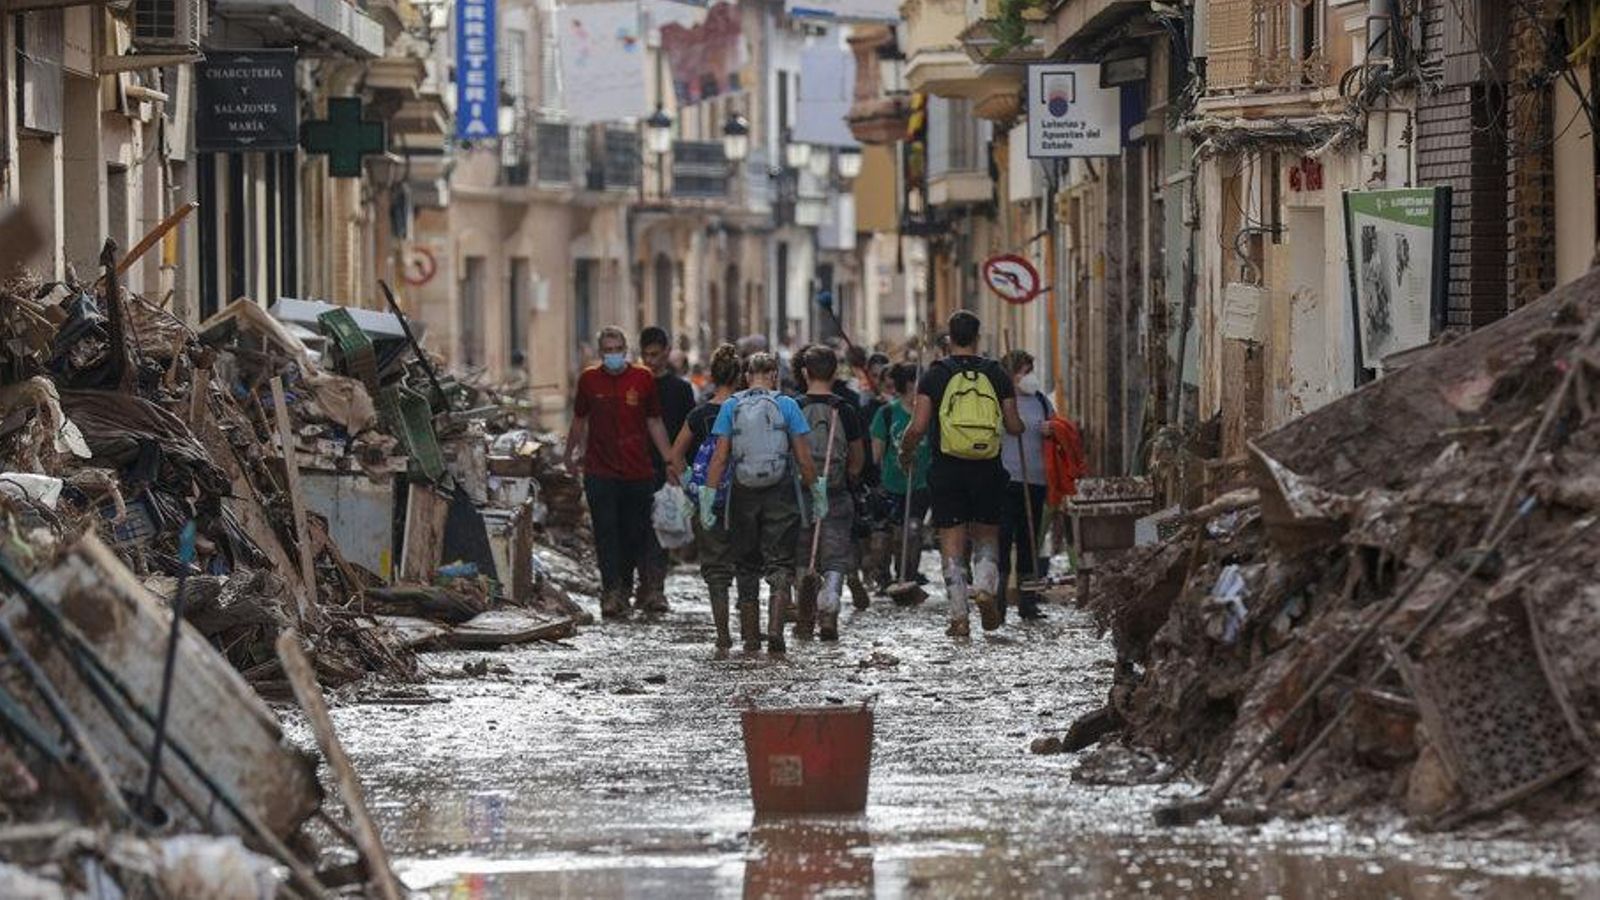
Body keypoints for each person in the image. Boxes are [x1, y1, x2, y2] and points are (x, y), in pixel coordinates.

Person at [898, 311, 1024, 637]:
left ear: (949, 339)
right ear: (978, 336)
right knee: (986, 536)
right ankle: (984, 587)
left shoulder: (935, 375)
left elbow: (918, 427)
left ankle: (959, 617)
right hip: (988, 467)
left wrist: (905, 451)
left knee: (951, 543)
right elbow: (1013, 426)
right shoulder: (996, 373)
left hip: (947, 468)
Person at [703, 352, 818, 654]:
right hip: (781, 491)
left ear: (746, 376)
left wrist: (707, 497)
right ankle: (775, 629)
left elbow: (720, 456)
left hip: (743, 492)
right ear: (775, 375)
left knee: (746, 564)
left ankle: (751, 638)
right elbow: (804, 458)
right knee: (780, 561)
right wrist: (817, 494)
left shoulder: (731, 406)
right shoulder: (788, 405)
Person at [565, 327, 676, 620]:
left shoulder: (642, 379)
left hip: (637, 471)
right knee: (605, 532)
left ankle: (627, 586)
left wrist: (669, 459)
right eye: (607, 350)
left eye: (617, 349)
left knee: (633, 533)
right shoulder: (589, 380)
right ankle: (612, 591)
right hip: (600, 470)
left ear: (626, 350)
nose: (612, 354)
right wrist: (569, 454)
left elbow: (654, 422)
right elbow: (579, 420)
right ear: (600, 353)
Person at [668, 344, 761, 653]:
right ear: (740, 377)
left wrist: (690, 486)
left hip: (707, 501)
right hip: (747, 498)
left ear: (713, 376)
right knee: (748, 563)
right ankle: (751, 635)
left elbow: (676, 454)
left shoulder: (700, 414)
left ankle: (723, 635)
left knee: (716, 569)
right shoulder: (750, 410)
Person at [793, 346, 865, 641]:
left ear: (804, 373)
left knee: (801, 554)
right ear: (835, 373)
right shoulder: (845, 409)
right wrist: (849, 476)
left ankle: (804, 615)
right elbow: (858, 459)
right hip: (836, 492)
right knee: (835, 556)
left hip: (799, 494)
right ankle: (830, 613)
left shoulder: (793, 407)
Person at [637, 326, 697, 614]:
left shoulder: (680, 389)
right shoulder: (634, 385)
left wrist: (681, 466)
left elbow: (690, 430)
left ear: (667, 352)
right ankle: (640, 584)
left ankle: (655, 588)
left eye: (656, 355)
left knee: (660, 528)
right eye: (646, 355)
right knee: (637, 528)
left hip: (666, 468)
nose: (651, 361)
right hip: (634, 465)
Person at [998, 349, 1052, 622]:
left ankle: (1027, 601)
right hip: (1007, 481)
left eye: (1031, 370)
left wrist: (1052, 431)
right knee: (1003, 538)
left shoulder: (1041, 401)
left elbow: (1057, 429)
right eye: (1024, 371)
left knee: (1029, 541)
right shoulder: (999, 400)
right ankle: (998, 601)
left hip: (1036, 480)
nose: (1029, 376)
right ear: (1011, 374)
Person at [871, 362, 930, 588]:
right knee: (886, 538)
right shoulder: (886, 414)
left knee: (913, 532)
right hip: (891, 484)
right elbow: (876, 453)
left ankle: (907, 578)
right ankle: (883, 578)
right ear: (908, 384)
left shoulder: (929, 415)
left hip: (920, 484)